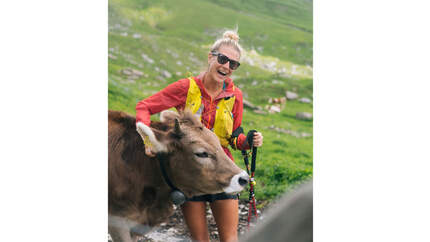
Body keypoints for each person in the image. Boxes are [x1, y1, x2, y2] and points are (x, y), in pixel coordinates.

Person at [136, 29, 263, 242]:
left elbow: (234, 137)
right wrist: (148, 139)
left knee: (230, 239)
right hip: (192, 172)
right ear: (210, 57)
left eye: (233, 64)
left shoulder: (235, 95)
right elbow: (144, 106)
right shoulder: (186, 87)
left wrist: (248, 142)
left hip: (223, 167)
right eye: (223, 59)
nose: (227, 67)